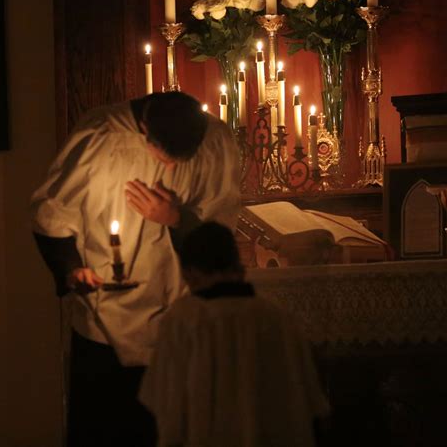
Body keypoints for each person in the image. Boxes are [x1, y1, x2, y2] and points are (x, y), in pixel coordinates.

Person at [30, 92, 240, 447]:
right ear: (145, 129)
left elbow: (219, 229)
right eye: (166, 157)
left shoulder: (216, 140)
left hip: (179, 321)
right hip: (108, 322)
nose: (171, 168)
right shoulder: (99, 137)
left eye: (181, 160)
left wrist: (177, 218)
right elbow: (52, 213)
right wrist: (72, 268)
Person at [139, 221, 330, 447]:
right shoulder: (276, 316)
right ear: (236, 264)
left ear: (190, 273)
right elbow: (307, 399)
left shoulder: (182, 320)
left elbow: (163, 398)